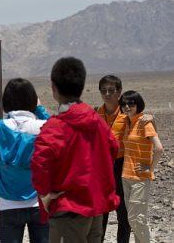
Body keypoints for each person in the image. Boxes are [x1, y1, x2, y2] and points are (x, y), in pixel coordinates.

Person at [31, 57, 120, 243]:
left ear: (54, 88)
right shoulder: (97, 121)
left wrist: (45, 195)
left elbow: (40, 163)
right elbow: (113, 147)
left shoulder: (54, 127)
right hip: (95, 209)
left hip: (68, 212)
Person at [0, 78, 51, 243]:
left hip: (9, 203)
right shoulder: (44, 126)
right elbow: (59, 128)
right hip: (40, 202)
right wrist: (40, 109)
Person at [96, 75, 154, 243]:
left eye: (111, 90)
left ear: (119, 92)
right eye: (103, 90)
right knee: (101, 215)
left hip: (122, 167)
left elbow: (144, 123)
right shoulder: (96, 113)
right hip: (102, 169)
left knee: (124, 215)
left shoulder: (127, 113)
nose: (107, 94)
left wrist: (152, 117)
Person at [119, 90, 163, 243]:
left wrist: (150, 169)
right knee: (135, 219)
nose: (127, 106)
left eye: (131, 103)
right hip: (126, 177)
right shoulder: (127, 122)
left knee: (136, 219)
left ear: (138, 104)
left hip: (140, 178)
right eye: (124, 104)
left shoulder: (145, 122)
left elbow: (159, 148)